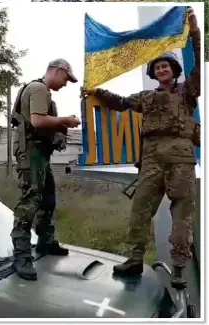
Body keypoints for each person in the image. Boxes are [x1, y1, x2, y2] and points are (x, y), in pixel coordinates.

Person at [81, 8, 200, 289]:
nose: (161, 69)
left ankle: (180, 269)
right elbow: (120, 102)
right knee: (140, 209)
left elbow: (200, 69)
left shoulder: (187, 91)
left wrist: (195, 32)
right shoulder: (147, 96)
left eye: (166, 66)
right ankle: (134, 259)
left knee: (182, 214)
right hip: (151, 158)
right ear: (153, 72)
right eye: (157, 67)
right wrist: (95, 91)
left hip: (181, 157)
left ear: (174, 71)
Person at [11, 59, 81, 280]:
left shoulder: (45, 93)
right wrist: (66, 122)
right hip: (30, 153)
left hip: (39, 153)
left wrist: (59, 132)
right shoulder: (38, 88)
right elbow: (38, 121)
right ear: (57, 71)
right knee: (31, 198)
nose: (65, 84)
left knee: (48, 197)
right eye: (65, 78)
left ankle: (45, 241)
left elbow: (44, 125)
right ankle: (21, 254)